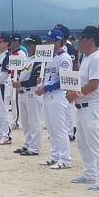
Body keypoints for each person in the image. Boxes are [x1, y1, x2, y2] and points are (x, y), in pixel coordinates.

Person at [69, 26, 99, 190]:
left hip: (94, 106)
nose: (80, 41)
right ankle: (90, 173)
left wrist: (76, 94)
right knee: (83, 142)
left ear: (90, 40)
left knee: (96, 143)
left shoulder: (97, 58)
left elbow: (94, 84)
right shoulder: (86, 58)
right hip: (83, 107)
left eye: (83, 38)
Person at [36, 28, 74, 169]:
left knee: (59, 129)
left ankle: (65, 158)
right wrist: (43, 81)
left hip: (58, 96)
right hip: (47, 95)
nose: (49, 43)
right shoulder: (50, 58)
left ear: (59, 41)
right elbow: (50, 76)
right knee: (51, 129)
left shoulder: (65, 58)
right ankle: (55, 155)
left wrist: (46, 87)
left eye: (52, 41)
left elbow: (64, 79)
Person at [13, 35, 43, 156]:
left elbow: (35, 79)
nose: (30, 47)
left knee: (34, 120)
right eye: (29, 45)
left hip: (32, 91)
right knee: (25, 121)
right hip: (23, 92)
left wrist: (21, 83)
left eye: (32, 44)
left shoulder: (39, 60)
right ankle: (28, 143)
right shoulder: (29, 59)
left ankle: (34, 147)